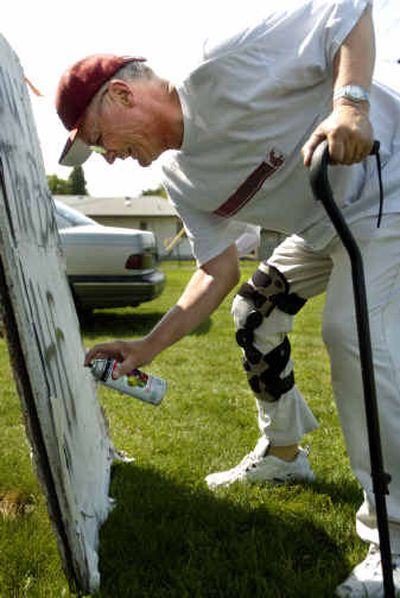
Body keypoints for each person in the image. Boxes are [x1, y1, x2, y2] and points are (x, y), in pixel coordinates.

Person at [54, 1, 400, 595]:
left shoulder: (224, 61)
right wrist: (147, 345)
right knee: (254, 313)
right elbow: (214, 272)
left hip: (387, 184)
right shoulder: (183, 179)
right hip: (323, 225)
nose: (108, 158)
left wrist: (351, 103)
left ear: (120, 96)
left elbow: (349, 9)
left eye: (97, 140)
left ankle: (394, 535)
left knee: (351, 333)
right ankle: (286, 454)